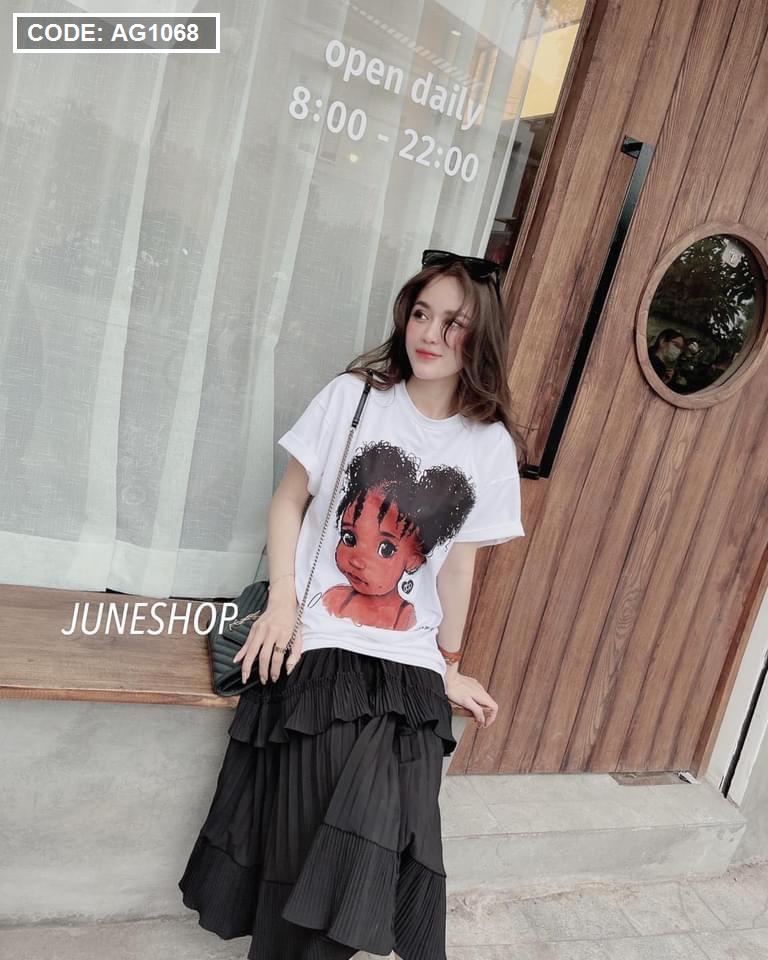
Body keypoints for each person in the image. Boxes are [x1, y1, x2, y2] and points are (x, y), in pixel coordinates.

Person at [178, 249, 527, 960]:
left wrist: (449, 663)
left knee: (386, 832)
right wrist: (283, 605)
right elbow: (289, 501)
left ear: (480, 337)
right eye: (421, 314)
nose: (429, 334)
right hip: (323, 643)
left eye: (452, 323)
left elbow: (458, 567)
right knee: (327, 827)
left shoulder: (490, 445)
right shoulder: (354, 399)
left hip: (410, 666)